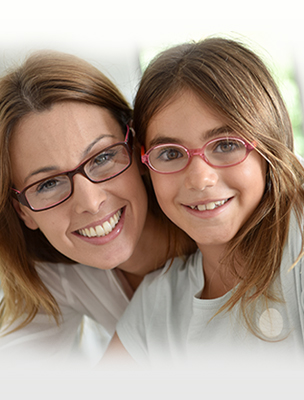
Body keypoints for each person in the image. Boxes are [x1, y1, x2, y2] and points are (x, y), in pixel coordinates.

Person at [111, 37, 304, 370]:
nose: (200, 178)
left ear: (267, 150)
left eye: (226, 145)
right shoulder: (156, 304)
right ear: (146, 167)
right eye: (171, 154)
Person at [0, 50, 194, 368]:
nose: (90, 202)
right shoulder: (57, 276)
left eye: (102, 157)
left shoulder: (216, 215)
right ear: (23, 211)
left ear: (136, 147)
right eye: (48, 184)